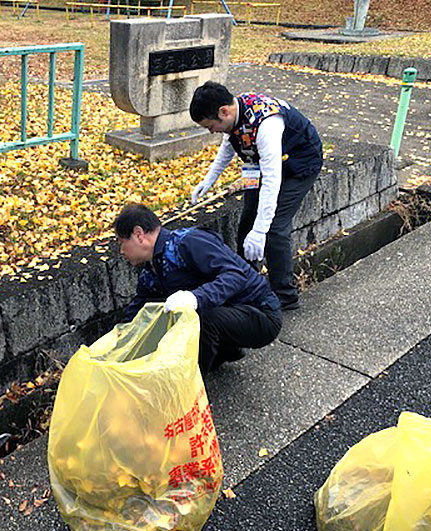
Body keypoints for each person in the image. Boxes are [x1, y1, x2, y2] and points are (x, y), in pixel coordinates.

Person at [189, 81, 323, 311]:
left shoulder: (266, 124)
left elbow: (272, 180)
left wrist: (261, 230)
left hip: (299, 165)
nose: (211, 131)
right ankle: (246, 283)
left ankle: (285, 295)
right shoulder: (234, 113)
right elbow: (228, 147)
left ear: (224, 112)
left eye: (210, 126)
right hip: (256, 165)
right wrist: (208, 180)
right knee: (248, 220)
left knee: (273, 228)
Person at [115, 203, 282, 376]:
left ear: (138, 234)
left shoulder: (189, 242)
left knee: (202, 318)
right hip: (231, 313)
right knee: (165, 312)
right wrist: (117, 341)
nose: (121, 251)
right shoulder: (151, 269)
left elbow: (235, 276)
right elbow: (139, 310)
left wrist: (194, 297)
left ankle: (191, 391)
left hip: (262, 313)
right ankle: (226, 349)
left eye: (122, 242)